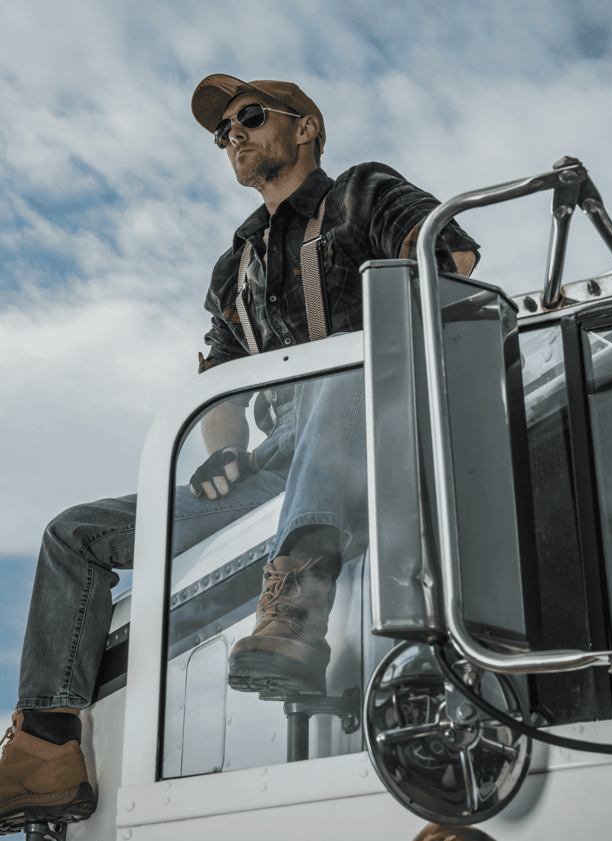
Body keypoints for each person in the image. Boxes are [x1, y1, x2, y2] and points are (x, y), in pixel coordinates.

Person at [0, 74, 480, 833]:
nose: (234, 136)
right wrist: (221, 455)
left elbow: (450, 258)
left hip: (378, 417)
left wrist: (373, 348)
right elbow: (220, 384)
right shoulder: (237, 267)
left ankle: (294, 612)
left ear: (307, 127)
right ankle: (46, 749)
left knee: (331, 373)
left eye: (249, 118)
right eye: (223, 131)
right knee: (72, 532)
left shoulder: (360, 193)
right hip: (279, 464)